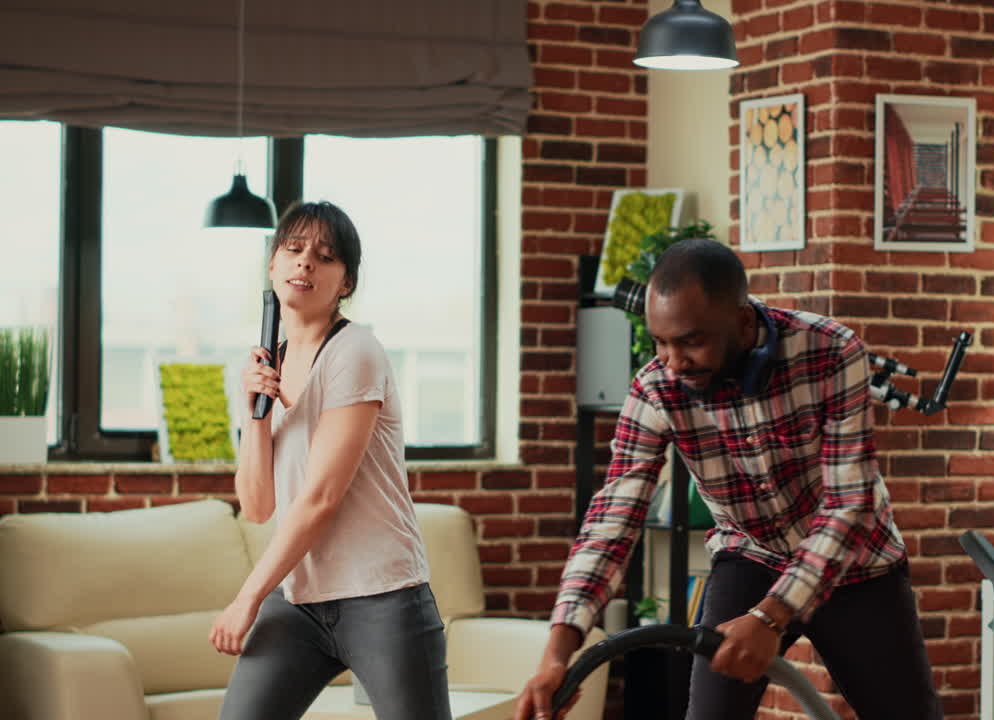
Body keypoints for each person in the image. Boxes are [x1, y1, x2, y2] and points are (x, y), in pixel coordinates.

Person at [515, 238, 942, 720]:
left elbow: (848, 506)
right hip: (750, 555)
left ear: (742, 321)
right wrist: (557, 656)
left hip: (857, 566)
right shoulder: (656, 387)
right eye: (661, 342)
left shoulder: (831, 352)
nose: (673, 362)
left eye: (691, 341)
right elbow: (611, 523)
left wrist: (769, 616)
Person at [211, 201, 451, 720]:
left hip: (382, 597)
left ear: (345, 282)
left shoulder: (355, 351)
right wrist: (253, 412)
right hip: (300, 599)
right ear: (272, 266)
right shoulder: (266, 362)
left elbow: (320, 498)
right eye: (292, 251)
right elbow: (255, 506)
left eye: (323, 257)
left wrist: (247, 597)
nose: (304, 265)